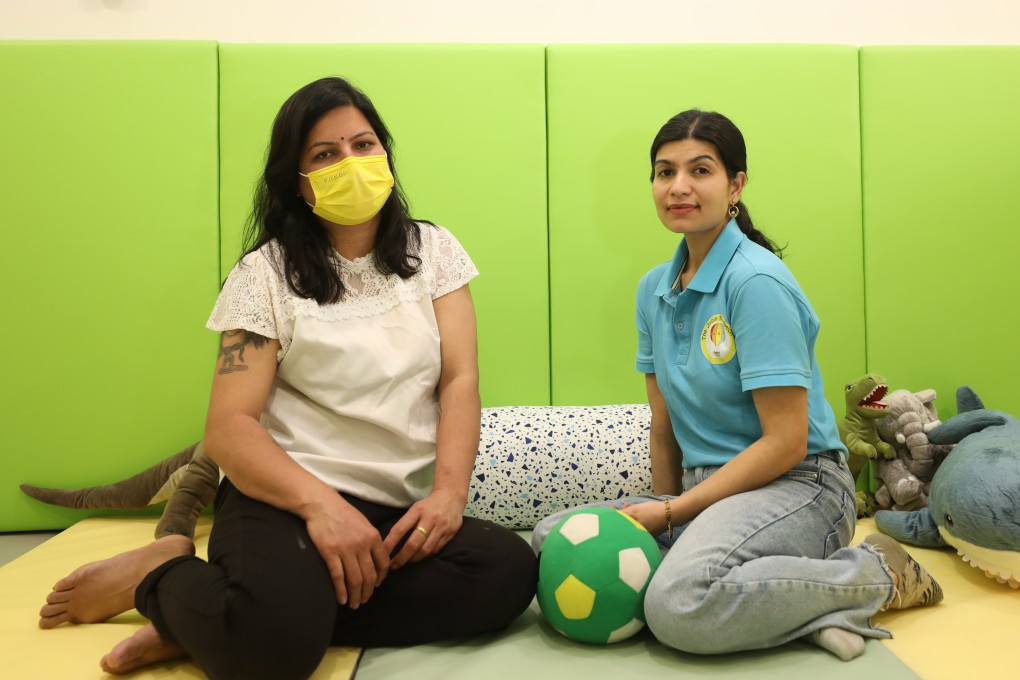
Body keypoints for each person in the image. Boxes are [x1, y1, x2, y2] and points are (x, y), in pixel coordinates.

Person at [37, 76, 537, 679]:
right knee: (274, 655)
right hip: (283, 500)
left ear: (386, 153)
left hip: (390, 510)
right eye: (325, 155)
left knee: (505, 574)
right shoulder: (264, 274)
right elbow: (229, 427)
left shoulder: (433, 251)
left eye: (364, 145)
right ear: (296, 182)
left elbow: (459, 381)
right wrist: (322, 507)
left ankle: (211, 620)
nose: (351, 163)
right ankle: (161, 575)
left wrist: (449, 496)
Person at [532, 110, 942, 661]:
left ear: (735, 185)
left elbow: (786, 441)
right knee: (554, 538)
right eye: (664, 171)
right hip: (708, 492)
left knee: (679, 604)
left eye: (700, 170)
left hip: (800, 487)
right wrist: (668, 505)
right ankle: (800, 611)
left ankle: (875, 573)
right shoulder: (653, 288)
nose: (678, 187)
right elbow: (664, 425)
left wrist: (674, 518)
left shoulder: (757, 282)